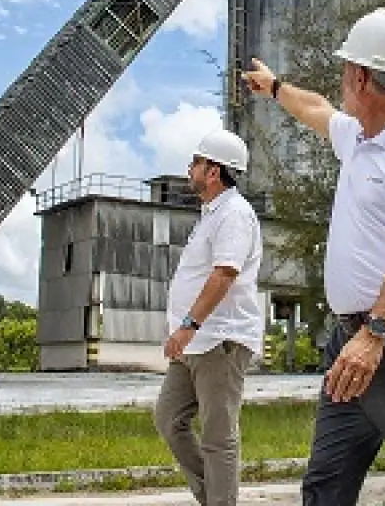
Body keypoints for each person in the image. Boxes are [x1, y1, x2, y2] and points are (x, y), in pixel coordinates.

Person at [242, 7, 385, 506]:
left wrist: (376, 334)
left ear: (363, 77)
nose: (342, 79)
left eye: (347, 69)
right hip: (352, 341)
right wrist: (275, 87)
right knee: (325, 488)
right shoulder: (361, 139)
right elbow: (316, 109)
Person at [153, 128, 264, 506]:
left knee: (218, 435)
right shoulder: (211, 215)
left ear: (213, 171)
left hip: (220, 340)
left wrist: (189, 325)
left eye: (196, 162)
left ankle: (220, 502)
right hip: (195, 343)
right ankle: (214, 498)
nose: (190, 169)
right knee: (169, 418)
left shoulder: (233, 213)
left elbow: (224, 274)